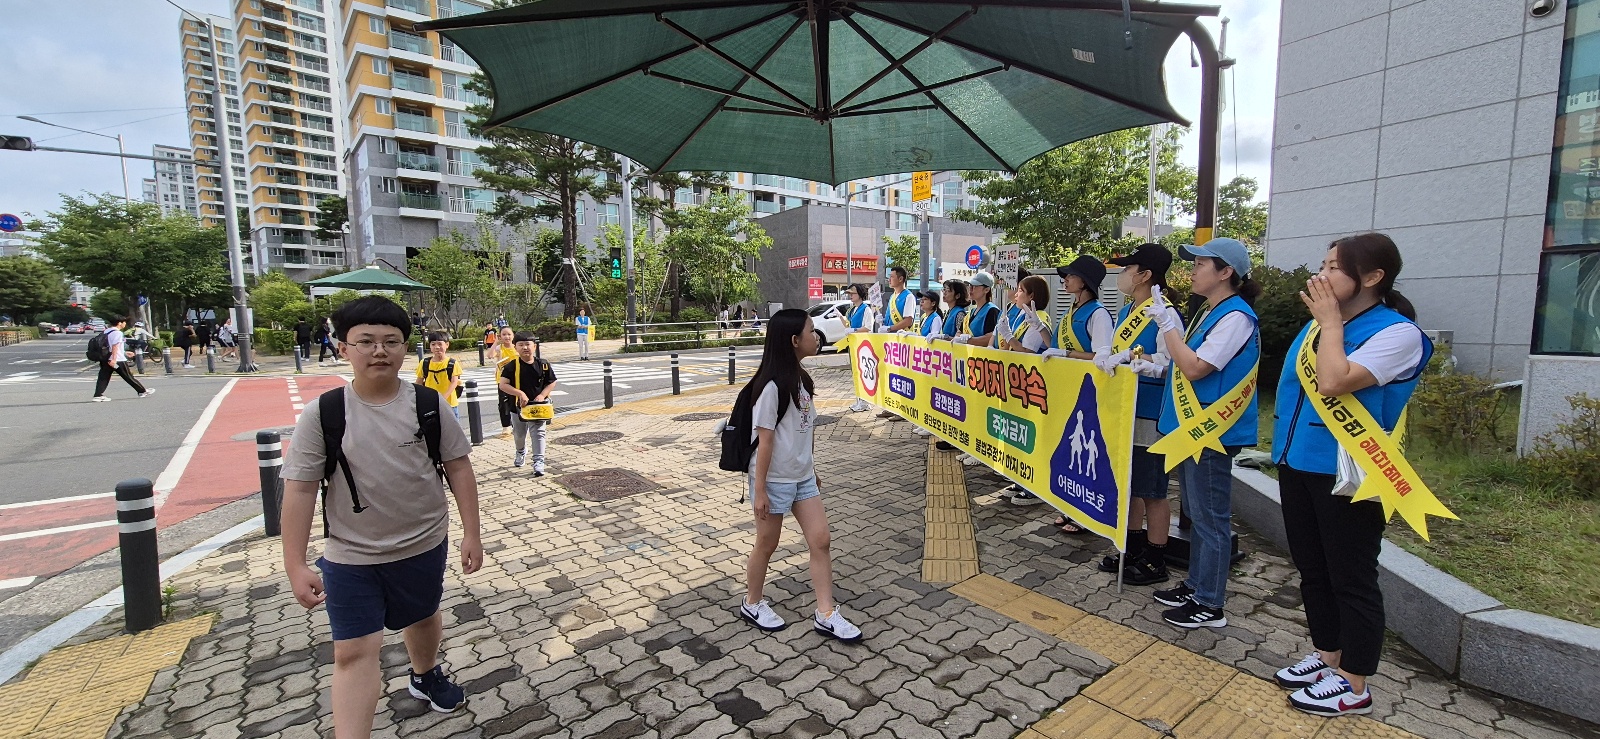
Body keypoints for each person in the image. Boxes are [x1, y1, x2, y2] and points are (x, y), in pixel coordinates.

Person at [279, 296, 482, 736]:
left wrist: (472, 533)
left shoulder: (427, 405)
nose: (379, 351)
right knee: (352, 652)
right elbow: (299, 489)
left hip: (423, 543)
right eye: (365, 341)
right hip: (351, 556)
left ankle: (425, 674)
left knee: (424, 616)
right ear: (343, 348)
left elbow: (459, 468)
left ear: (405, 348)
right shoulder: (324, 413)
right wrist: (294, 563)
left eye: (391, 341)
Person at [1270, 233, 1431, 717]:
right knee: (1313, 569)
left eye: (1334, 267)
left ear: (1373, 277)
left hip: (1351, 473)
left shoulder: (1398, 334)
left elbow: (1335, 381)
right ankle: (1328, 656)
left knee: (1352, 576)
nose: (1322, 275)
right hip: (1296, 461)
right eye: (1322, 264)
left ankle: (1355, 682)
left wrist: (1330, 325)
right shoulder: (1323, 325)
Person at [1147, 238, 1261, 629]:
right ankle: (1197, 584)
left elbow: (1196, 368)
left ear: (1226, 272)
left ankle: (1210, 604)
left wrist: (1167, 329)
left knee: (1210, 519)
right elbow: (1183, 365)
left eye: (1200, 264)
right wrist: (1158, 363)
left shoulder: (1236, 317)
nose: (1192, 270)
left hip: (1211, 433)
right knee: (1197, 512)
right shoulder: (1212, 312)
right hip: (1192, 431)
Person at [738, 308, 863, 642]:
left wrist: (811, 468)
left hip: (802, 476)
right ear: (794, 341)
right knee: (767, 543)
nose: (816, 336)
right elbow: (765, 442)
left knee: (821, 539)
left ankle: (825, 614)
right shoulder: (770, 388)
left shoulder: (801, 379)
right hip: (774, 480)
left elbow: (802, 431)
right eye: (811, 331)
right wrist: (760, 491)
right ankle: (752, 603)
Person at [1096, 244, 1179, 582]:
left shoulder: (1165, 312)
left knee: (1153, 488)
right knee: (1130, 484)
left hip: (1150, 411)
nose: (1122, 274)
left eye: (1127, 268)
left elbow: (1172, 362)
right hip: (1125, 409)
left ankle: (1156, 559)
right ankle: (1130, 547)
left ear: (1144, 275)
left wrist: (1140, 365)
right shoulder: (1131, 309)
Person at [1040, 255, 1115, 523]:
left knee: (1085, 455)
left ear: (1085, 282)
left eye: (1070, 276)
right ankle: (1069, 506)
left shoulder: (1098, 314)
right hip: (1067, 391)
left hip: (1089, 395)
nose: (1065, 280)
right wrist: (1042, 332)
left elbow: (1100, 356)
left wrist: (1067, 353)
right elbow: (1056, 347)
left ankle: (1085, 514)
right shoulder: (1071, 311)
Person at [995, 275, 1054, 505]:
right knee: (1018, 433)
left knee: (1031, 435)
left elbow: (1028, 351)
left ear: (1032, 296)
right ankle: (1021, 480)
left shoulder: (1038, 318)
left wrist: (1009, 336)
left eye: (1021, 290)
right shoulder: (1020, 314)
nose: (1016, 293)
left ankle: (1034, 488)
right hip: (1017, 383)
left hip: (1031, 384)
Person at [498, 332, 558, 475]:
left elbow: (552, 381)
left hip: (538, 407)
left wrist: (542, 395)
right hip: (517, 408)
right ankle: (520, 451)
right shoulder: (511, 366)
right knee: (519, 435)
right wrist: (520, 393)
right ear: (515, 348)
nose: (525, 347)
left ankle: (538, 462)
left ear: (534, 346)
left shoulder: (543, 364)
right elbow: (503, 385)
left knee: (538, 433)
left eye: (528, 344)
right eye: (521, 345)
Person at [91, 316, 153, 402]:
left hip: (106, 359)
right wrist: (114, 359)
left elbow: (109, 346)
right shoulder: (117, 333)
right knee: (127, 375)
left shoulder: (106, 331)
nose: (125, 324)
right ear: (119, 323)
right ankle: (142, 391)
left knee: (103, 377)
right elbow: (115, 346)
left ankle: (98, 395)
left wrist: (124, 352)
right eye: (124, 322)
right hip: (117, 360)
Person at [838, 284, 877, 412]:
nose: (851, 296)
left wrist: (853, 329)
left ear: (859, 294)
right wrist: (840, 317)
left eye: (853, 293)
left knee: (864, 373)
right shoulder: (852, 309)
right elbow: (848, 325)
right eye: (850, 294)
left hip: (863, 346)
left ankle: (865, 402)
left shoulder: (866, 309)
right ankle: (859, 400)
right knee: (856, 372)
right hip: (853, 345)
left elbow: (868, 327)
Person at [415, 332, 464, 418]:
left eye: (440, 344)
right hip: (430, 404)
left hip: (449, 404)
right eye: (433, 344)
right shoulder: (424, 363)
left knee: (452, 429)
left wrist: (443, 399)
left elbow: (454, 382)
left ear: (447, 345)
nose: (436, 347)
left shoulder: (452, 363)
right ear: (429, 346)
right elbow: (419, 382)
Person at [494, 326, 518, 439]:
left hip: (516, 379)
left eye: (509, 334)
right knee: (503, 403)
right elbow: (489, 355)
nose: (507, 337)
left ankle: (517, 424)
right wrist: (495, 342)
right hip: (502, 380)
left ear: (513, 335)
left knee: (515, 401)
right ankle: (506, 426)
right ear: (500, 336)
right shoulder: (499, 348)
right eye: (504, 334)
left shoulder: (517, 348)